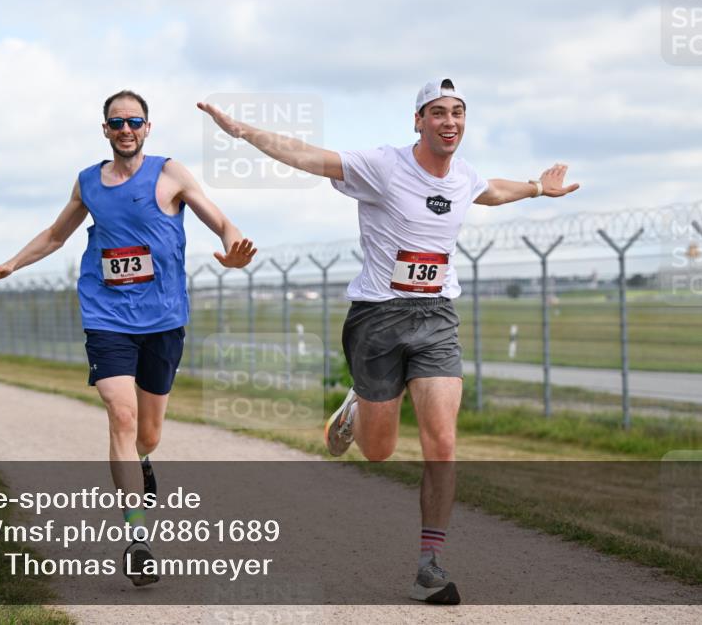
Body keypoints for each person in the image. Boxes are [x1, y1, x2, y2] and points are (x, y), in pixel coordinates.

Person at [198, 78, 578, 605]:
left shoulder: (463, 176)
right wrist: (243, 131)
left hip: (437, 317)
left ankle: (429, 566)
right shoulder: (383, 166)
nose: (449, 121)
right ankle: (356, 406)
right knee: (378, 452)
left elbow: (491, 191)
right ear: (418, 121)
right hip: (378, 318)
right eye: (438, 112)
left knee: (442, 442)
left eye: (458, 112)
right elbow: (310, 156)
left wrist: (537, 187)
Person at [0, 90, 256, 586]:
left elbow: (222, 222)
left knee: (148, 434)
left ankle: (143, 459)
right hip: (107, 316)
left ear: (147, 127)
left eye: (134, 122)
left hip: (162, 319)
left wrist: (233, 250)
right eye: (116, 123)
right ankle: (138, 538)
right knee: (121, 414)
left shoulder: (169, 174)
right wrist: (8, 266)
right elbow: (56, 236)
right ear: (105, 130)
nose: (125, 130)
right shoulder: (88, 183)